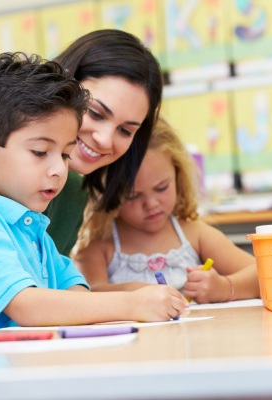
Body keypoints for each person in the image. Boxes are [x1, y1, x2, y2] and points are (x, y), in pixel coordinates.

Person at [0, 52, 186, 330]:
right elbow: (26, 305)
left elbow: (74, 294)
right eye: (40, 152)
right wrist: (131, 305)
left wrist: (135, 297)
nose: (59, 170)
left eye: (64, 154)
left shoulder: (32, 227)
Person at [72, 117, 260, 304]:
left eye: (161, 188)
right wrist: (133, 292)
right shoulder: (99, 246)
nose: (151, 204)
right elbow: (85, 296)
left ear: (178, 176)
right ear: (108, 194)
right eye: (133, 196)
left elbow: (263, 273)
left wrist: (225, 287)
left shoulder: (195, 235)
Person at [44, 29, 163, 257]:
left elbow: (52, 288)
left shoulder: (72, 195)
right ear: (61, 88)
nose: (104, 140)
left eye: (125, 130)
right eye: (96, 113)